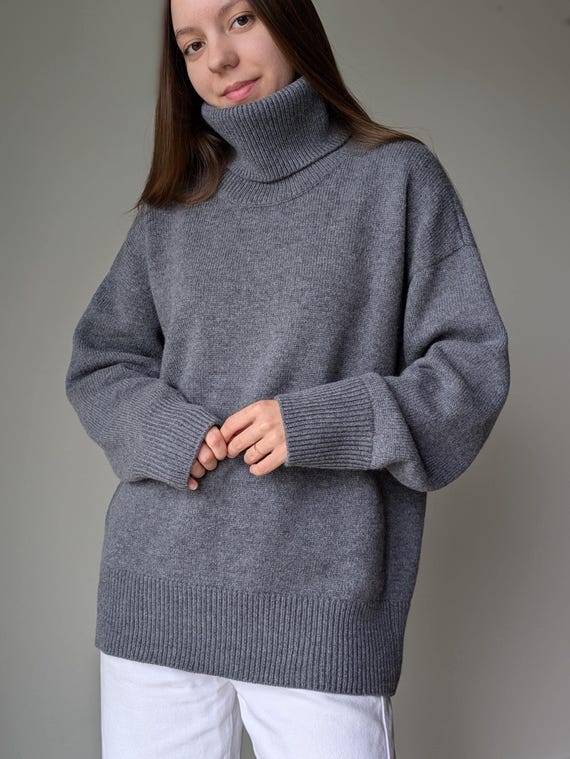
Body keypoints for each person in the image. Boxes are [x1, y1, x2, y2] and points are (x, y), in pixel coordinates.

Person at [64, 0, 511, 756]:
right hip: (156, 600)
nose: (218, 58)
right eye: (191, 44)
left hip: (321, 611)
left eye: (239, 20)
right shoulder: (175, 205)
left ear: (290, 18)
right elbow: (100, 359)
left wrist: (320, 423)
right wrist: (167, 430)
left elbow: (471, 369)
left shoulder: (396, 178)